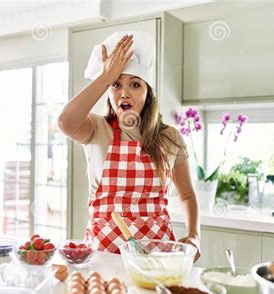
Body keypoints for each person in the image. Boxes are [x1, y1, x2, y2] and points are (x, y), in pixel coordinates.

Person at [58, 31, 200, 261]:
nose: (124, 93)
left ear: (148, 93)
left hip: (157, 256)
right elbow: (65, 122)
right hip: (102, 257)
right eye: (116, 85)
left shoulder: (170, 137)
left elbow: (186, 194)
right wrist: (105, 78)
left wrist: (194, 235)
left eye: (135, 84)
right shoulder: (96, 128)